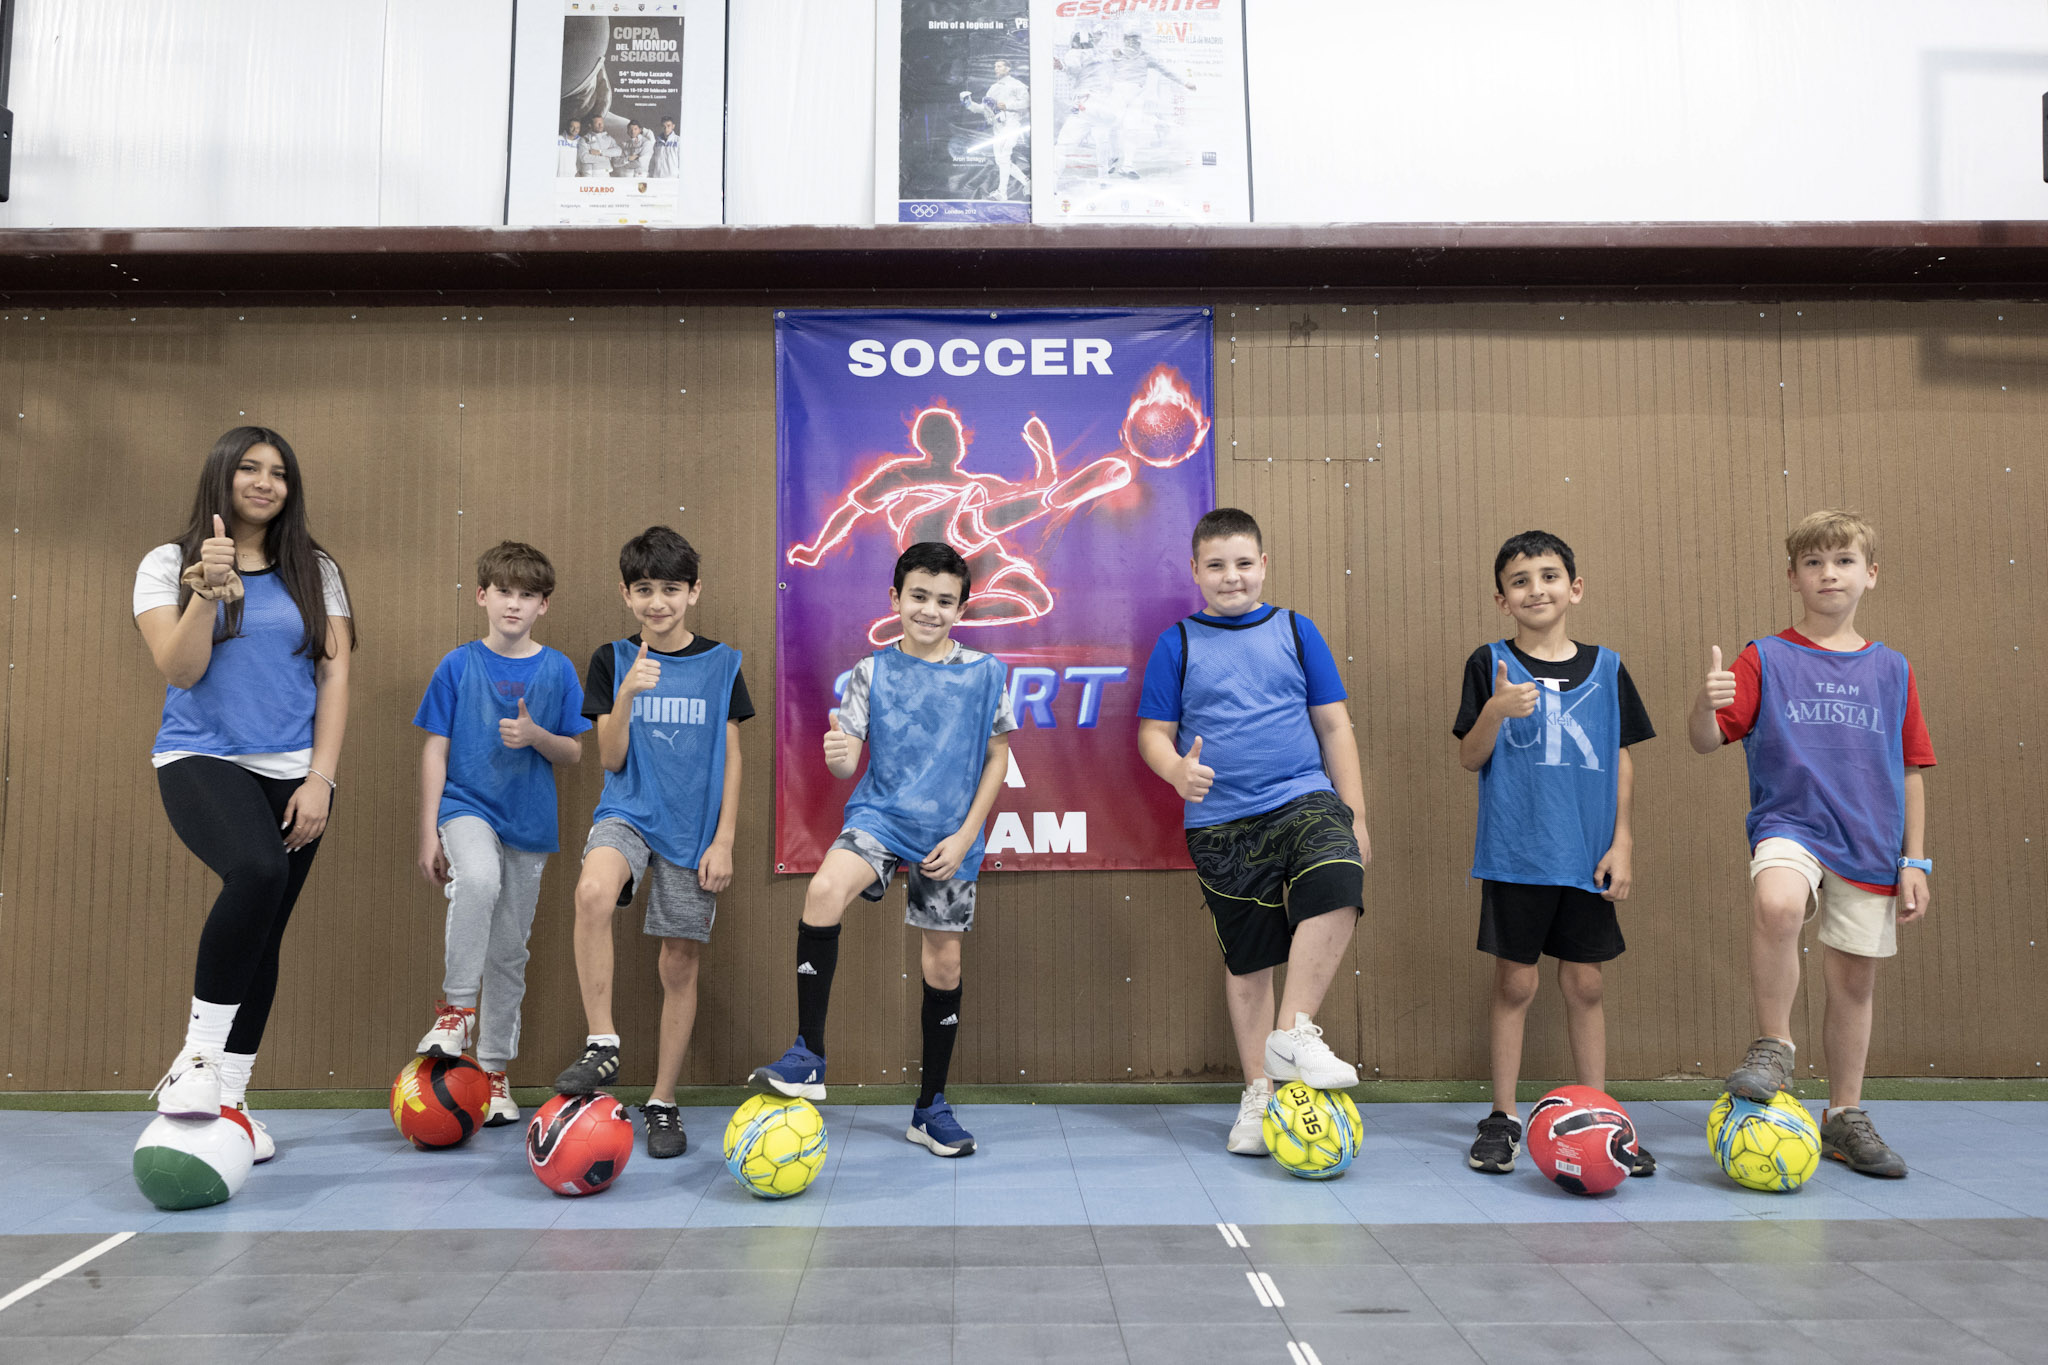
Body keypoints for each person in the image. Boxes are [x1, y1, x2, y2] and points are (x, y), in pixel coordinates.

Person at [134, 427, 355, 1163]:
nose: (266, 482)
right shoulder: (167, 563)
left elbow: (335, 676)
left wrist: (322, 777)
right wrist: (204, 593)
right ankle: (194, 1061)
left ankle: (232, 1097)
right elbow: (180, 667)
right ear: (222, 475)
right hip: (201, 754)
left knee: (265, 931)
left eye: (280, 473)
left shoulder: (315, 570)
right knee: (256, 871)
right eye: (251, 469)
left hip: (296, 770)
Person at [750, 542, 1013, 1158]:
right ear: (895, 599)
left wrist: (967, 833)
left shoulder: (985, 674)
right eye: (918, 597)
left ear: (961, 609)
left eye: (944, 601)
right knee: (822, 890)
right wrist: (841, 760)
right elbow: (846, 757)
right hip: (881, 818)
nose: (929, 610)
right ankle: (809, 1054)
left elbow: (998, 757)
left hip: (950, 832)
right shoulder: (871, 671)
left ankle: (930, 1108)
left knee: (942, 964)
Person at [1693, 509, 1934, 1178]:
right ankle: (1774, 1043)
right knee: (1776, 904)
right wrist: (1705, 704)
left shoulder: (1892, 669)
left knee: (1853, 979)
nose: (1830, 572)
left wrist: (1915, 859)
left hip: (1872, 838)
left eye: (1845, 560)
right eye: (1814, 562)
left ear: (1871, 574)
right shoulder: (1765, 655)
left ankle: (1845, 1115)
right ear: (1793, 576)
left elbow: (1911, 767)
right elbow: (1707, 739)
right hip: (1791, 824)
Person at [1136, 508, 1371, 1155]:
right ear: (1196, 571)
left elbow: (1334, 726)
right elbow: (1153, 734)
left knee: (1339, 881)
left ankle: (1293, 1034)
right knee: (1249, 964)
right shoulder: (1176, 643)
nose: (1231, 576)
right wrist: (1175, 769)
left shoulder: (1297, 630)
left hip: (1303, 796)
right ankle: (1259, 1092)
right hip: (1219, 825)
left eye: (1243, 562)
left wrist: (1353, 809)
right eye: (1216, 564)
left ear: (1263, 565)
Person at [1452, 532, 1657, 1177]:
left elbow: (1622, 759)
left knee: (1586, 983)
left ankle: (1600, 1115)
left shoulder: (1609, 666)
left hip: (1587, 855)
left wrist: (1622, 843)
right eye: (1519, 580)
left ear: (1575, 587)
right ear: (1501, 599)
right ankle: (1504, 1115)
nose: (1535, 588)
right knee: (1516, 982)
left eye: (1548, 576)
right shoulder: (1489, 664)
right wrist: (1495, 711)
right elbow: (1468, 756)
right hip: (1517, 854)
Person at [554, 527, 750, 1161]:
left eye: (671, 589)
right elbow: (609, 760)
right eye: (644, 590)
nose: (657, 602)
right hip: (629, 811)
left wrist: (723, 840)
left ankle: (663, 1101)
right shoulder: (612, 659)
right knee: (591, 891)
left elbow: (732, 758)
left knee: (679, 964)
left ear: (694, 592)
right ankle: (603, 1043)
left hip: (693, 834)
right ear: (625, 594)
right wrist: (630, 694)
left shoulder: (724, 663)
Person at [414, 542, 589, 1128]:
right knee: (478, 880)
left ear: (544, 605)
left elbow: (573, 751)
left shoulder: (559, 669)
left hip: (530, 823)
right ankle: (457, 1007)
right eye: (504, 592)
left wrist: (536, 735)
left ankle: (493, 1071)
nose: (514, 604)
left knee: (510, 951)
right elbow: (434, 750)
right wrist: (427, 832)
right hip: (465, 807)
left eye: (527, 595)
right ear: (483, 595)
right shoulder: (456, 665)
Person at [962, 59, 1030, 202]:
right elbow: (984, 108)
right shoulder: (993, 88)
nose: (996, 69)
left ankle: (1002, 193)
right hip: (997, 128)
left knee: (1004, 157)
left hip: (1011, 125)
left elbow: (1026, 103)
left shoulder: (1017, 85)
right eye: (995, 67)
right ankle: (1027, 182)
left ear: (1008, 68)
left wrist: (1006, 105)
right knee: (1001, 160)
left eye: (999, 66)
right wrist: (969, 104)